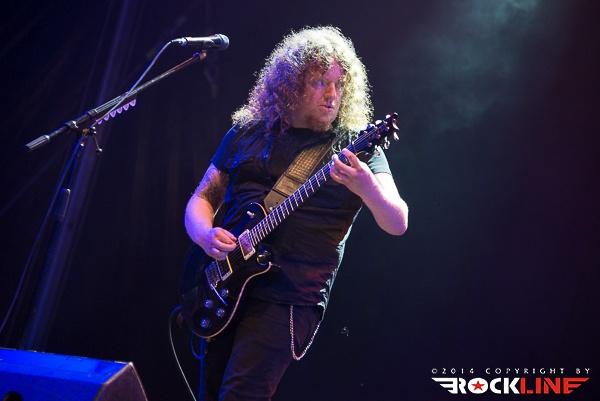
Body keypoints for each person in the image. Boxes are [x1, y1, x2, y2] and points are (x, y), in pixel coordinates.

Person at [184, 26, 408, 401]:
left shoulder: (356, 148)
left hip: (288, 297)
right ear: (290, 85)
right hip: (223, 284)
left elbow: (397, 221)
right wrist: (205, 235)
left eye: (339, 84)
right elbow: (202, 198)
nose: (332, 94)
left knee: (241, 395)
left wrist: (366, 186)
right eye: (320, 82)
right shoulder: (247, 132)